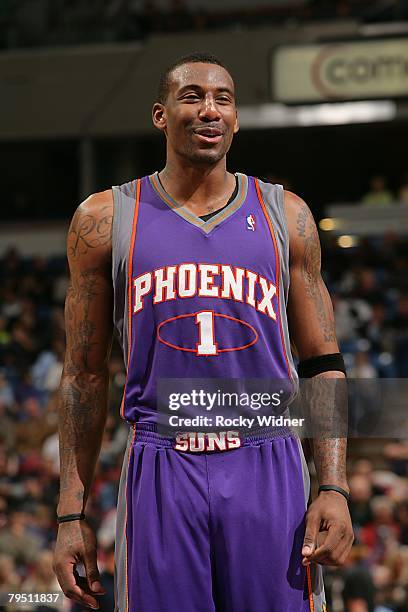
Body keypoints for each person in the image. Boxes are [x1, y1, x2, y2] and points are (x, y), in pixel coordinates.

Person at [53, 52, 354, 611]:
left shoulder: (285, 215)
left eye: (223, 99)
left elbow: (322, 362)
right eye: (192, 96)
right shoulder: (105, 220)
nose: (209, 110)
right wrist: (71, 513)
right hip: (162, 463)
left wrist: (333, 484)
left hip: (267, 458)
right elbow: (83, 375)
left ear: (236, 119)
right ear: (161, 115)